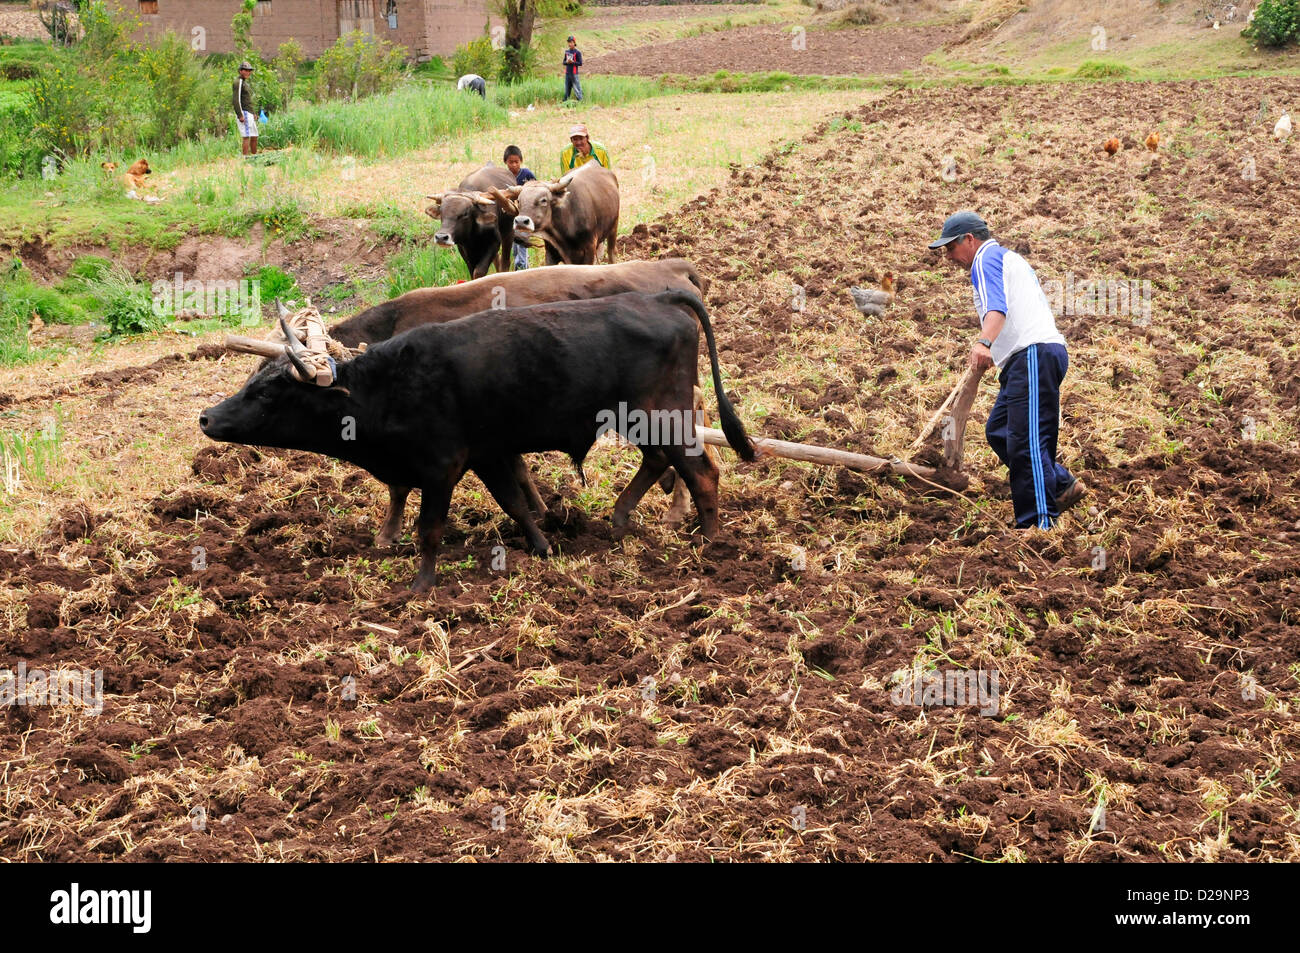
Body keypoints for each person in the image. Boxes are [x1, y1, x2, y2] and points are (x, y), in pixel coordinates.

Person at [929, 210, 1085, 529]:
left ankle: (1038, 524)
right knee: (999, 431)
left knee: (1027, 443)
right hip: (1028, 358)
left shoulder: (985, 260)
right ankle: (1058, 484)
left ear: (970, 240)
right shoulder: (1004, 259)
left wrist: (984, 342)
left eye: (950, 247)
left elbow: (996, 308)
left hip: (1032, 355)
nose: (948, 257)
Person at [503, 145, 536, 270]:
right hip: (510, 216)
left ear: (521, 161)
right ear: (505, 162)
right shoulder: (504, 176)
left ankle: (521, 269)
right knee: (514, 245)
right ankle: (521, 268)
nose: (514, 165)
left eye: (516, 162)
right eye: (511, 162)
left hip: (524, 213)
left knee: (521, 243)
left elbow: (535, 187)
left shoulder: (526, 174)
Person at [233, 61, 258, 156]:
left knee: (254, 135)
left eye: (249, 70)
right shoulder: (238, 82)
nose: (248, 72)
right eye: (246, 70)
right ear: (240, 71)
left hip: (249, 113)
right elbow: (236, 100)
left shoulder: (244, 82)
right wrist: (240, 115)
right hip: (244, 113)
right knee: (246, 136)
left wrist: (253, 113)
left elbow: (247, 100)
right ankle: (245, 159)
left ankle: (255, 157)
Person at [562, 35, 583, 102]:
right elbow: (563, 62)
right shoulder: (566, 52)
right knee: (567, 89)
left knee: (577, 89)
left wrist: (573, 62)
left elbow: (580, 63)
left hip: (574, 74)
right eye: (569, 42)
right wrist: (567, 62)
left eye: (571, 42)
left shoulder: (577, 52)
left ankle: (580, 101)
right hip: (567, 73)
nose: (570, 44)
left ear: (574, 43)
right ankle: (565, 102)